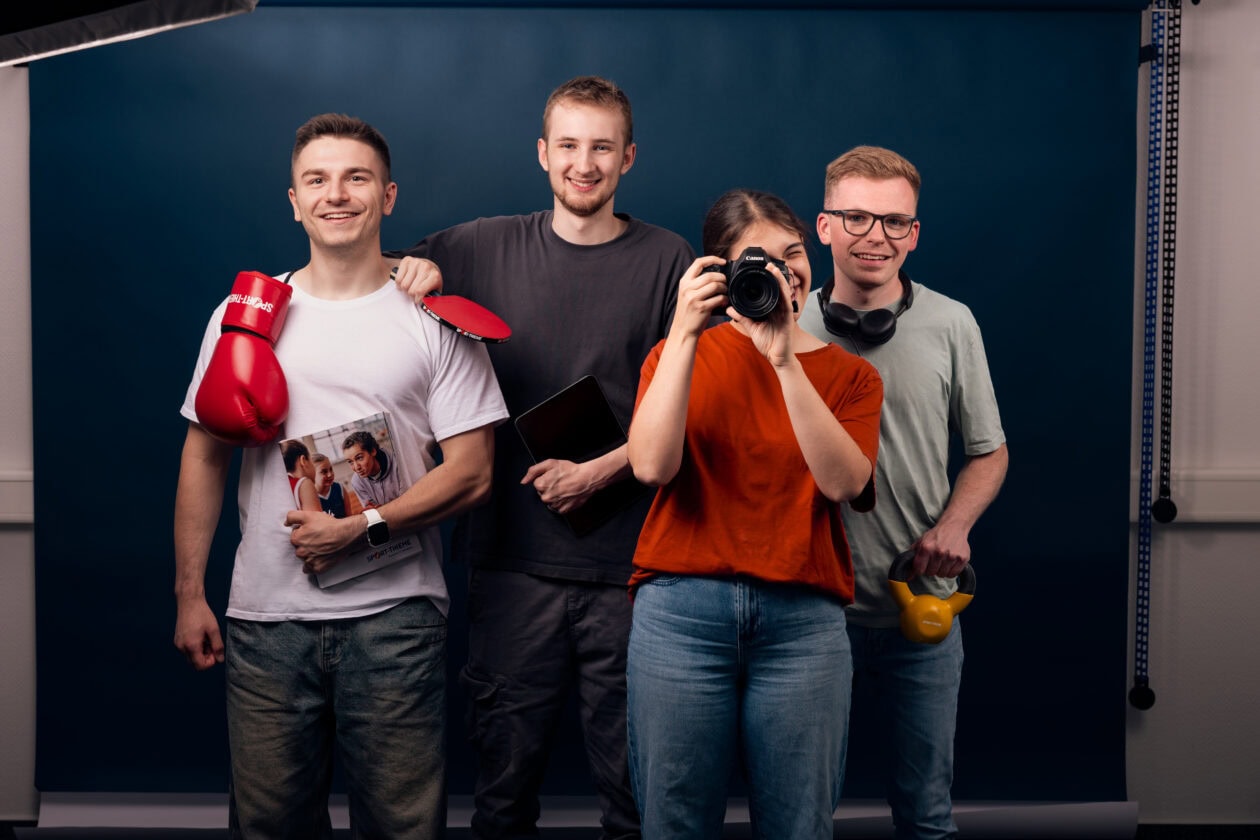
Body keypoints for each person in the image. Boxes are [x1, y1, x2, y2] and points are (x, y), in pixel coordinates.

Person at [173, 113, 508, 840]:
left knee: (402, 829)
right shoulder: (242, 318)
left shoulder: (437, 320)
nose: (337, 194)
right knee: (267, 828)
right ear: (293, 200)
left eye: (357, 178)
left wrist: (362, 528)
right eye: (317, 180)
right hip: (265, 622)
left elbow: (476, 474)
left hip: (397, 623)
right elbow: (204, 454)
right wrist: (189, 594)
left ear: (388, 196)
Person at [389, 75, 694, 840]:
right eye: (568, 146)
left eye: (600, 148)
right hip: (510, 565)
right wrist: (406, 269)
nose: (583, 164)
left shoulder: (668, 259)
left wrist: (603, 468)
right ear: (542, 153)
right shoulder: (476, 245)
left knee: (635, 795)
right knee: (502, 796)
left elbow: (692, 409)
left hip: (632, 568)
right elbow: (367, 278)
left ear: (628, 157)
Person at [625, 188, 884, 840]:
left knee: (800, 826)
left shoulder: (852, 377)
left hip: (803, 623)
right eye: (759, 259)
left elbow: (843, 481)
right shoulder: (675, 357)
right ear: (722, 272)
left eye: (793, 254)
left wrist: (783, 359)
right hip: (682, 614)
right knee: (674, 824)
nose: (783, 270)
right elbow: (652, 467)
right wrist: (685, 332)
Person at [798, 145, 1009, 840]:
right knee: (804, 816)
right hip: (808, 613)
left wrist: (956, 525)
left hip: (922, 607)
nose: (875, 237)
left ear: (914, 234)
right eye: (856, 217)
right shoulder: (780, 324)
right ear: (823, 227)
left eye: (894, 222)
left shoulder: (953, 324)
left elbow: (989, 452)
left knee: (926, 815)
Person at [342, 429, 404, 509]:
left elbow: (407, 502)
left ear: (373, 451)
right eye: (350, 462)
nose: (356, 467)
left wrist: (381, 510)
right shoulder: (357, 481)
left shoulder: (400, 464)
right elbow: (375, 513)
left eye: (359, 458)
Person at [311, 451, 362, 518]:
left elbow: (349, 517)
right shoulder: (310, 497)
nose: (330, 474)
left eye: (331, 469)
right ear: (313, 474)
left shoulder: (339, 488)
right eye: (324, 472)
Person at [280, 438, 323, 512]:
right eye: (311, 460)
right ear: (303, 460)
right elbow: (318, 522)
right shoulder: (304, 484)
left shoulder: (280, 487)